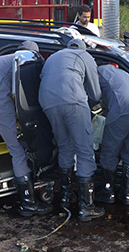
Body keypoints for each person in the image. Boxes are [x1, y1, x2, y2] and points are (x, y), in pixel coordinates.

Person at [0, 40, 52, 217]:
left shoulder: (1, 58)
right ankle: (28, 203)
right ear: (32, 53)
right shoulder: (22, 60)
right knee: (16, 149)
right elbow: (17, 93)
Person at [39, 38, 104, 221]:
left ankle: (65, 199)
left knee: (65, 146)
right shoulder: (84, 55)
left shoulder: (53, 57)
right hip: (73, 102)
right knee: (84, 150)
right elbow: (95, 92)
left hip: (47, 104)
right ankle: (86, 207)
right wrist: (95, 105)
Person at [95, 63, 129, 205]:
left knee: (109, 152)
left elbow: (94, 96)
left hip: (122, 110)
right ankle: (126, 194)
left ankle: (108, 192)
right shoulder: (122, 73)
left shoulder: (98, 72)